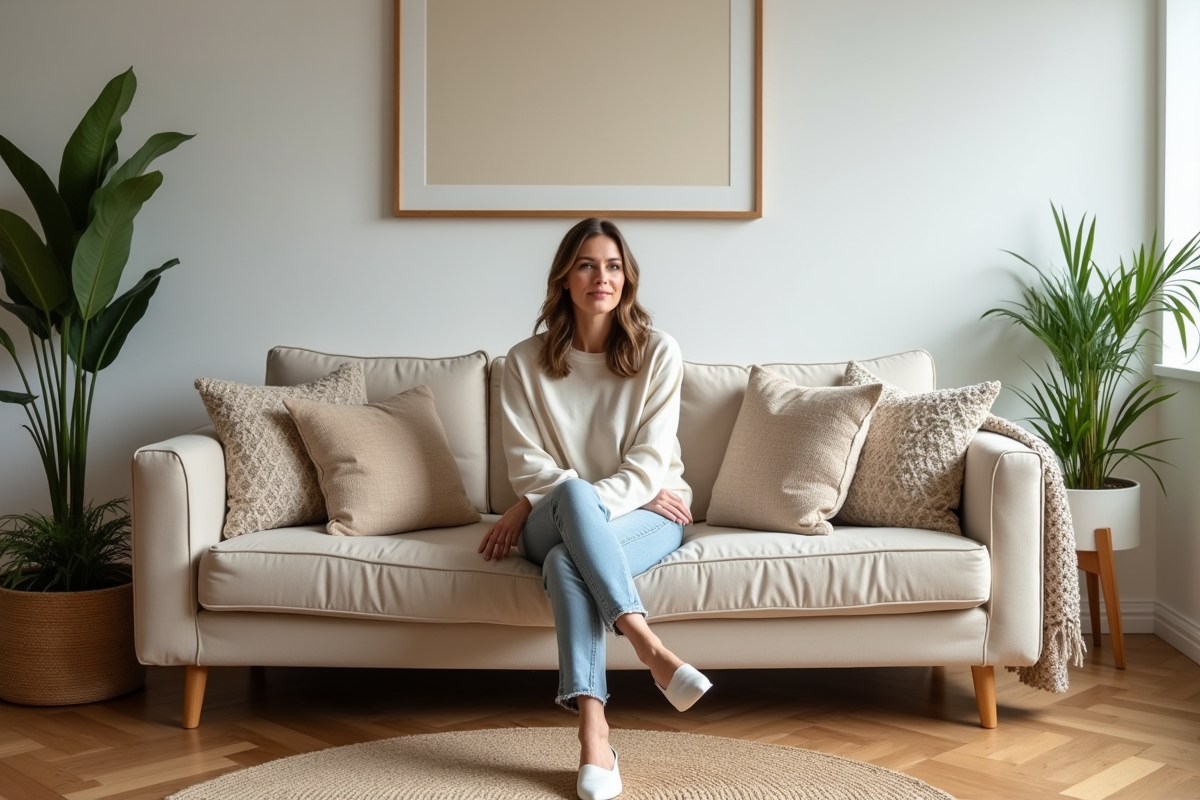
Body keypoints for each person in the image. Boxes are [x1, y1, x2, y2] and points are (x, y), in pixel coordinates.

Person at [478, 218, 712, 800]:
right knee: (573, 499)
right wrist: (569, 500)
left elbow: (650, 464)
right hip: (565, 509)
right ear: (564, 278)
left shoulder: (658, 352)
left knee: (564, 563)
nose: (599, 278)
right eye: (586, 264)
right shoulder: (523, 361)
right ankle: (648, 647)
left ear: (627, 278)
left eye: (612, 266)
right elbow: (528, 468)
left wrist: (588, 503)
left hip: (655, 512)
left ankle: (594, 735)